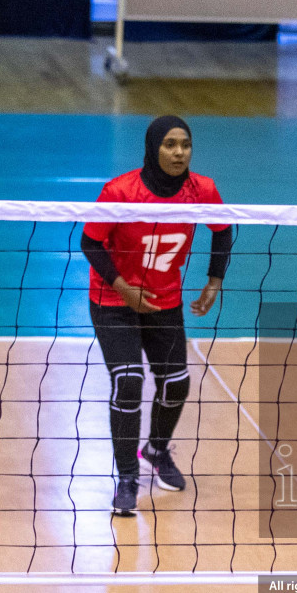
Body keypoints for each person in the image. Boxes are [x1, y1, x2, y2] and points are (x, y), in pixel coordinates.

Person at [80, 114, 234, 508]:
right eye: (170, 144)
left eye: (185, 144)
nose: (179, 152)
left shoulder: (203, 190)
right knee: (129, 382)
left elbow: (223, 229)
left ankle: (157, 450)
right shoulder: (120, 192)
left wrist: (214, 280)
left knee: (176, 384)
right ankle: (127, 478)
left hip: (164, 300)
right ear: (153, 148)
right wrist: (122, 287)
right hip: (113, 300)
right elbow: (91, 243)